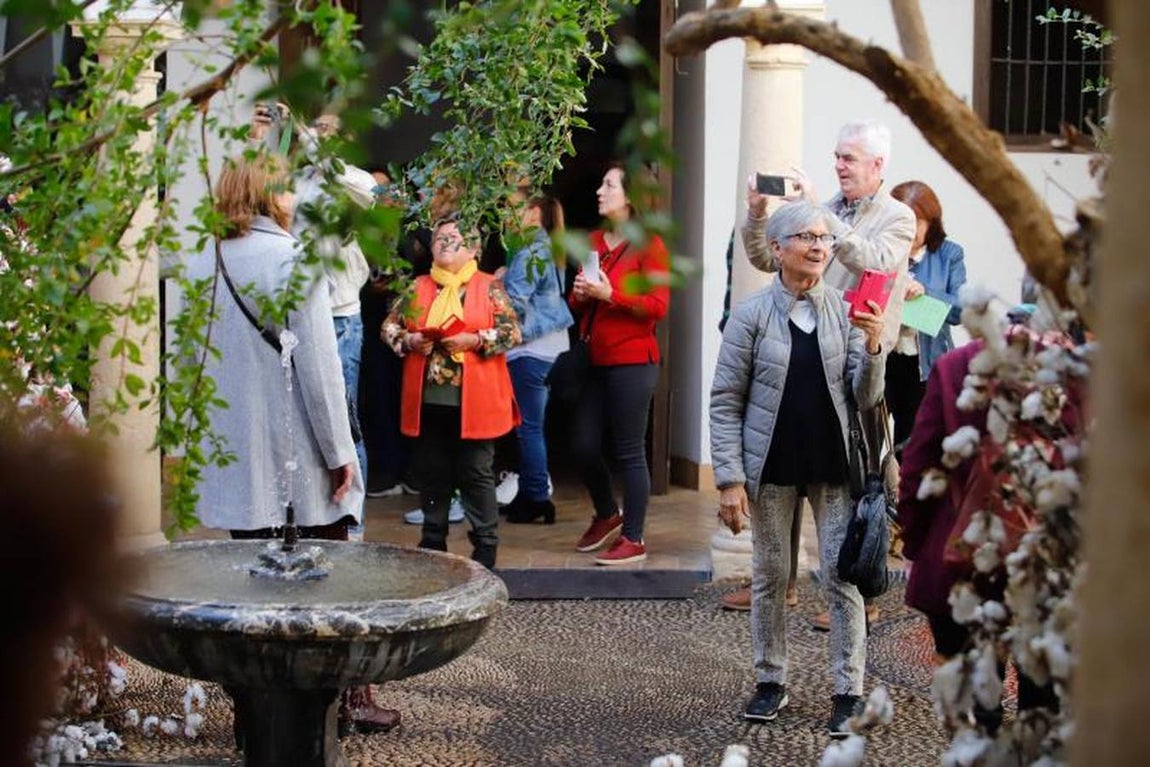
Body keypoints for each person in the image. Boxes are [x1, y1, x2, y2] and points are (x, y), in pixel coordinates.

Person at [184, 154, 397, 735]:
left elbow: (188, 366)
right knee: (330, 581)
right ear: (269, 194)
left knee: (249, 591)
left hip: (236, 457)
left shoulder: (201, 261)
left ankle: (254, 712)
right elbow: (322, 372)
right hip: (296, 455)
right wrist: (340, 454)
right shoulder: (290, 259)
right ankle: (339, 707)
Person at [710, 200, 887, 736]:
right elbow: (724, 401)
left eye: (824, 238)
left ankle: (848, 691)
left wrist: (875, 345)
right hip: (770, 467)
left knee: (842, 576)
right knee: (769, 577)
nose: (817, 246)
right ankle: (771, 681)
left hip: (833, 466)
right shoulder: (750, 316)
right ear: (780, 248)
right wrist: (729, 480)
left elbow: (865, 396)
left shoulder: (844, 310)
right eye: (805, 237)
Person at [732, 118, 915, 625]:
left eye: (848, 158)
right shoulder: (826, 211)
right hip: (809, 352)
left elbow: (875, 259)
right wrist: (755, 215)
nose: (838, 166)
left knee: (866, 479)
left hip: (865, 356)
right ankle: (781, 583)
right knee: (789, 465)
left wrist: (824, 221)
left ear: (878, 166)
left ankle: (862, 595)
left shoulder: (898, 217)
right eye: (836, 156)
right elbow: (764, 257)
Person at [251, 105, 376, 540]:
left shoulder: (348, 180)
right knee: (302, 418)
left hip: (338, 317)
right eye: (313, 127)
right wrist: (262, 137)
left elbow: (366, 193)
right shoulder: (293, 181)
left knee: (344, 419)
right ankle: (310, 516)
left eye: (326, 130)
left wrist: (307, 133)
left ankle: (351, 523)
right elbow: (252, 199)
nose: (313, 135)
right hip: (293, 316)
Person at [381, 211, 521, 568]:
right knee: (432, 471)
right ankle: (433, 538)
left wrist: (475, 339)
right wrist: (410, 339)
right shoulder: (418, 288)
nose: (444, 244)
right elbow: (388, 327)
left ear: (472, 249)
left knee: (476, 473)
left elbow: (511, 332)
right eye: (439, 239)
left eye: (452, 239)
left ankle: (486, 543)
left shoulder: (489, 287)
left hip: (477, 400)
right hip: (429, 401)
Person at [569, 162, 670, 565]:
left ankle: (634, 537)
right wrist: (581, 292)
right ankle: (607, 513)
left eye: (608, 184)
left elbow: (657, 307)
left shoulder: (650, 245)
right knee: (581, 443)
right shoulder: (593, 240)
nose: (599, 190)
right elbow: (580, 303)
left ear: (630, 197)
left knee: (629, 449)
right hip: (594, 356)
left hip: (633, 360)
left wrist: (610, 295)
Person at [498, 190, 573, 524]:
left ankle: (537, 497)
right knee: (532, 425)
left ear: (531, 213)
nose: (504, 213)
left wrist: (495, 283)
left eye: (510, 206)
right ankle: (534, 493)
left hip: (532, 348)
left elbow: (515, 302)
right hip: (549, 346)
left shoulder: (531, 249)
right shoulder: (546, 246)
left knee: (528, 426)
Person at [885, 180, 966, 452]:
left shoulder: (948, 254)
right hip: (883, 356)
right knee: (876, 440)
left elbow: (960, 310)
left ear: (931, 222)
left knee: (915, 442)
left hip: (925, 363)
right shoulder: (884, 249)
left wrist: (925, 292)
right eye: (901, 221)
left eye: (915, 223)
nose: (908, 231)